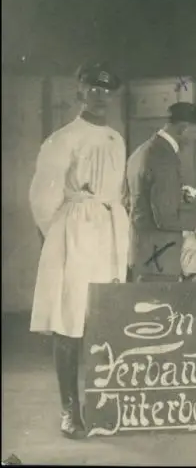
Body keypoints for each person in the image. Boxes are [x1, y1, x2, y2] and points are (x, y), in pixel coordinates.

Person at [28, 61, 128, 439]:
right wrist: (62, 237)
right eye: (94, 89)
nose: (101, 96)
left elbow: (117, 194)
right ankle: (70, 410)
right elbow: (42, 200)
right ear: (80, 92)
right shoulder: (62, 139)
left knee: (104, 318)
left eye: (107, 91)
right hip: (74, 236)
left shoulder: (116, 139)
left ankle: (101, 405)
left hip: (110, 236)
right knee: (70, 320)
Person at [127, 102, 196, 281]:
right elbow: (166, 219)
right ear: (183, 129)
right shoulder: (164, 157)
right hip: (159, 257)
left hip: (142, 251)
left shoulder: (143, 150)